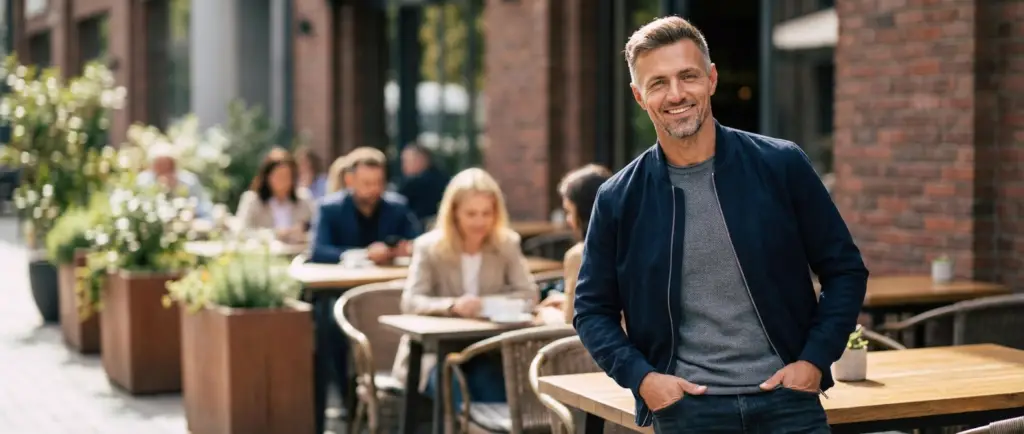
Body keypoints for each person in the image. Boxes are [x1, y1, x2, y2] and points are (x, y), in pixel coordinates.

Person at [572, 16, 868, 433]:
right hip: (687, 411)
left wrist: (815, 360)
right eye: (658, 83)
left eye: (688, 76)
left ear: (711, 79)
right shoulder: (619, 198)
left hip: (789, 403)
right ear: (639, 96)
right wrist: (643, 379)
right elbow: (591, 311)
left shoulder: (780, 165)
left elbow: (845, 270)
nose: (675, 94)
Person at [392, 167, 538, 406]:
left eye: (486, 213)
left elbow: (528, 293)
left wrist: (489, 305)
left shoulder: (507, 243)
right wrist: (452, 306)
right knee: (453, 386)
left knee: (493, 388)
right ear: (454, 213)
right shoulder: (429, 247)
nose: (480, 221)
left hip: (488, 351)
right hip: (435, 356)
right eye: (471, 214)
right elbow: (411, 300)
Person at [308, 150, 420, 264]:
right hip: (343, 279)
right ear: (349, 180)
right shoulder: (329, 209)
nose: (374, 188)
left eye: (380, 182)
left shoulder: (398, 207)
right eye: (367, 183)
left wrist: (401, 250)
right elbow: (318, 251)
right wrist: (365, 254)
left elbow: (417, 243)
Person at [536, 164, 612, 325]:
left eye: (569, 212)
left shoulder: (580, 256)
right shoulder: (639, 244)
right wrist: (566, 300)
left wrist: (545, 313)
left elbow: (570, 324)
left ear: (584, 212)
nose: (568, 220)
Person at [235, 155, 315, 243]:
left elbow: (317, 229)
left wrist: (303, 234)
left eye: (287, 176)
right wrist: (274, 234)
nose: (283, 182)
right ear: (267, 177)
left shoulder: (304, 199)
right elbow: (241, 231)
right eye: (278, 176)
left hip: (298, 253)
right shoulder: (252, 200)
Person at [136, 142, 214, 219]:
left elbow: (203, 205)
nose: (164, 168)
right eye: (160, 164)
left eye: (167, 163)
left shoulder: (188, 181)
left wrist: (192, 211)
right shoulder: (144, 181)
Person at [397, 143, 449, 222]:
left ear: (422, 160)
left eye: (407, 161)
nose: (404, 166)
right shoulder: (443, 178)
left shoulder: (415, 184)